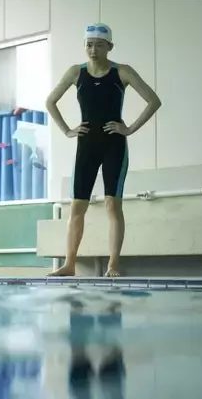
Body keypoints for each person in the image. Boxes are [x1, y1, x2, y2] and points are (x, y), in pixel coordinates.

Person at [45, 23, 161, 277]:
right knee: (77, 206)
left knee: (112, 205)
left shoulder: (122, 72)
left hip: (113, 145)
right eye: (89, 45)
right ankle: (69, 264)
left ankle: (113, 265)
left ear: (109, 47)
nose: (93, 50)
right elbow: (50, 101)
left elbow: (154, 101)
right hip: (86, 146)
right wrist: (67, 130)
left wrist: (129, 128)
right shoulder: (76, 72)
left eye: (99, 45)